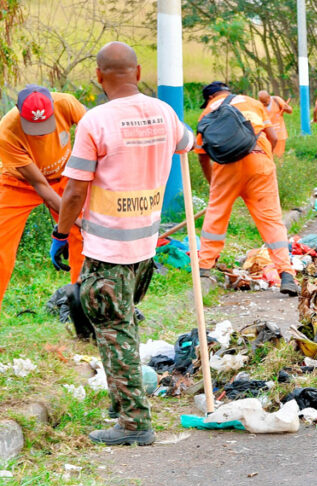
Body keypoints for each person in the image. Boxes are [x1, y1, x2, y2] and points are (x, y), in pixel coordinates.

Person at [54, 41, 194, 445]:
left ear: (98, 77)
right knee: (122, 322)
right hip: (146, 246)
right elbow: (187, 143)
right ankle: (122, 401)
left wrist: (61, 234)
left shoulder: (95, 122)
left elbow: (75, 191)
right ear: (136, 73)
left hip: (108, 250)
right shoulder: (164, 112)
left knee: (115, 331)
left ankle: (134, 423)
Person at [194, 82, 299, 297]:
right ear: (227, 91)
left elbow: (202, 154)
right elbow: (275, 137)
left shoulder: (207, 112)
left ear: (210, 97)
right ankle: (286, 274)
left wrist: (213, 182)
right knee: (271, 220)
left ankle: (204, 266)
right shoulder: (252, 102)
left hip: (226, 167)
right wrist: (267, 163)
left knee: (217, 213)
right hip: (259, 160)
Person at [0, 85, 87, 316]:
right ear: (18, 111)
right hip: (19, 184)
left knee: (83, 237)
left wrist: (76, 225)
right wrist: (73, 222)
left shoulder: (66, 103)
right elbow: (41, 187)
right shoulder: (6, 132)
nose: (40, 133)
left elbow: (96, 131)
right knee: (1, 246)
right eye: (33, 127)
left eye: (44, 125)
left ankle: (83, 305)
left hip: (65, 174)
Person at [258, 90, 292, 158]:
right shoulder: (258, 105)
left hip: (279, 133)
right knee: (268, 155)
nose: (264, 103)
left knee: (278, 155)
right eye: (262, 102)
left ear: (269, 97)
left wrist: (287, 108)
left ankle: (279, 166)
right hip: (267, 135)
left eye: (265, 101)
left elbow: (290, 111)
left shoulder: (277, 100)